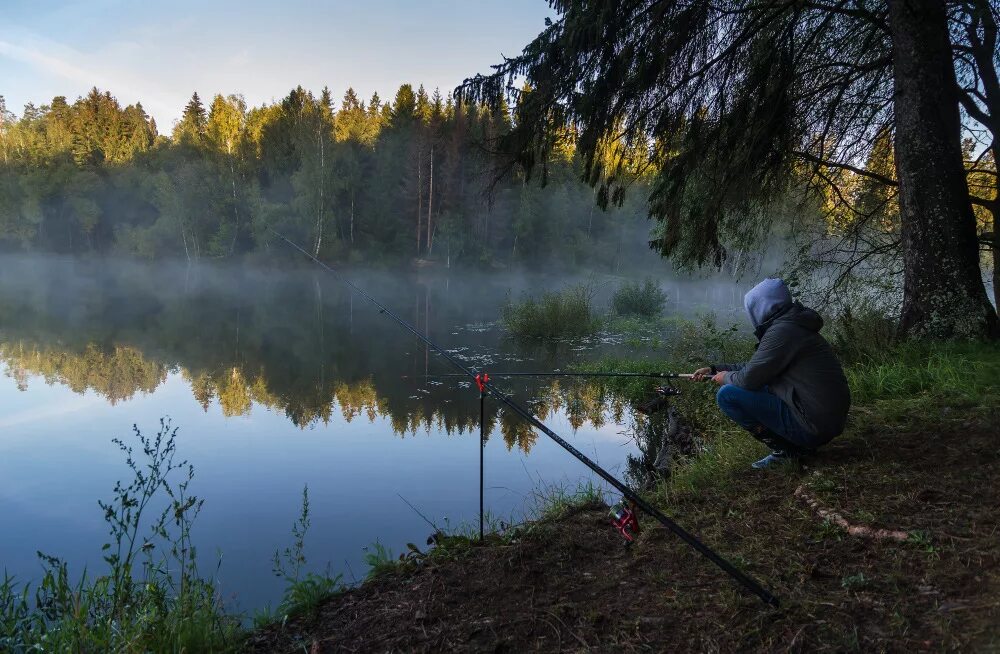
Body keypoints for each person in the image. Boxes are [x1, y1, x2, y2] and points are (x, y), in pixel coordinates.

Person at [692, 278, 850, 469]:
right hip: (825, 420)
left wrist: (724, 377)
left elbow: (748, 379)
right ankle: (797, 447)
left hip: (814, 426)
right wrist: (714, 369)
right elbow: (756, 367)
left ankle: (788, 451)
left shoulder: (783, 331)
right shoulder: (793, 325)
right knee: (757, 384)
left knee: (727, 395)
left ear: (760, 308)